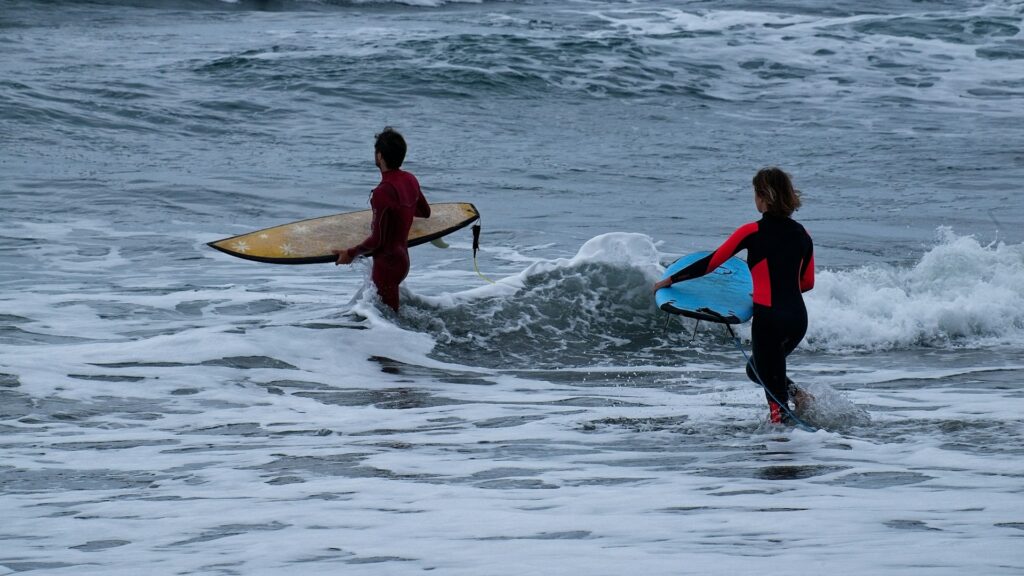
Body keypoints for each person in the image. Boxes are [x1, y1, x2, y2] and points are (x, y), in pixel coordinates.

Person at [653, 167, 815, 424]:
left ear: (763, 197)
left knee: (774, 397)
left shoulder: (751, 231)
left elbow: (711, 263)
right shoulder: (803, 234)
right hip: (797, 320)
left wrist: (671, 279)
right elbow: (807, 282)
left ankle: (782, 450)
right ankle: (800, 398)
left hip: (770, 320)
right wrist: (775, 286)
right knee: (758, 370)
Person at [333, 127, 430, 312]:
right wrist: (400, 215)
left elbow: (377, 240)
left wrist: (350, 253)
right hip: (403, 261)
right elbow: (424, 212)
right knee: (388, 319)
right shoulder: (410, 179)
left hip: (387, 265)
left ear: (379, 156)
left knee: (387, 326)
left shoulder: (381, 192)